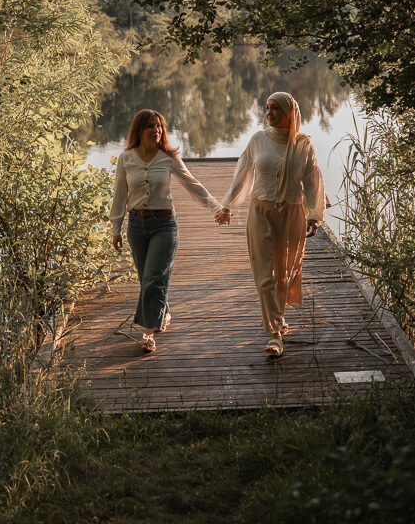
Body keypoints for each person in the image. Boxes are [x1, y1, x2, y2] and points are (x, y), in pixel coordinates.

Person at [215, 92, 325, 357]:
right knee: (266, 275)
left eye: (275, 108)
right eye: (267, 108)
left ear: (290, 112)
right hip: (261, 212)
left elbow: (313, 180)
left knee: (285, 272)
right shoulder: (258, 140)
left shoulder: (303, 144)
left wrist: (315, 214)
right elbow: (243, 174)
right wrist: (228, 205)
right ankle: (275, 333)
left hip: (292, 213)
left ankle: (278, 316)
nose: (269, 113)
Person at [110, 108, 222, 353]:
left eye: (159, 126)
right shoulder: (126, 159)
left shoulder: (169, 158)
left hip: (164, 225)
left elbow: (193, 184)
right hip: (136, 226)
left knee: (153, 278)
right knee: (147, 279)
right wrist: (116, 228)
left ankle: (148, 334)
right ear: (139, 130)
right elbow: (119, 195)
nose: (157, 130)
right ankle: (164, 312)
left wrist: (215, 207)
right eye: (151, 126)